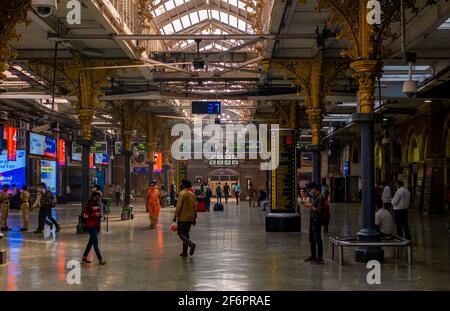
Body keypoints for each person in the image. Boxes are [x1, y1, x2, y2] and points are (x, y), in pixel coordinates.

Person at [302, 182, 325, 264]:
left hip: (317, 220)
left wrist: (310, 206)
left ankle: (320, 257)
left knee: (317, 238)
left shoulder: (320, 198)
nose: (310, 191)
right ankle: (313, 255)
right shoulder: (315, 197)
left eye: (311, 189)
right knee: (312, 238)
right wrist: (309, 205)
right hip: (312, 219)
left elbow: (319, 211)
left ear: (315, 188)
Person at [173, 179, 197, 257]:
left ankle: (191, 244)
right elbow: (195, 206)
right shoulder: (192, 194)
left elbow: (179, 206)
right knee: (186, 233)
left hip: (183, 217)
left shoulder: (182, 193)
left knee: (180, 233)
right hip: (190, 217)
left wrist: (175, 215)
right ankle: (184, 252)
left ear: (183, 185)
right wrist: (194, 218)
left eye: (181, 183)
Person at [81, 192, 106, 265]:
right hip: (91, 226)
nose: (100, 198)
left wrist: (100, 216)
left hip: (96, 225)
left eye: (100, 197)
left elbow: (97, 214)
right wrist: (94, 215)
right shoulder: (89, 205)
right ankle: (100, 259)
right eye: (98, 197)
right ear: (94, 196)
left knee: (91, 242)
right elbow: (85, 215)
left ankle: (84, 256)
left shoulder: (97, 205)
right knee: (95, 244)